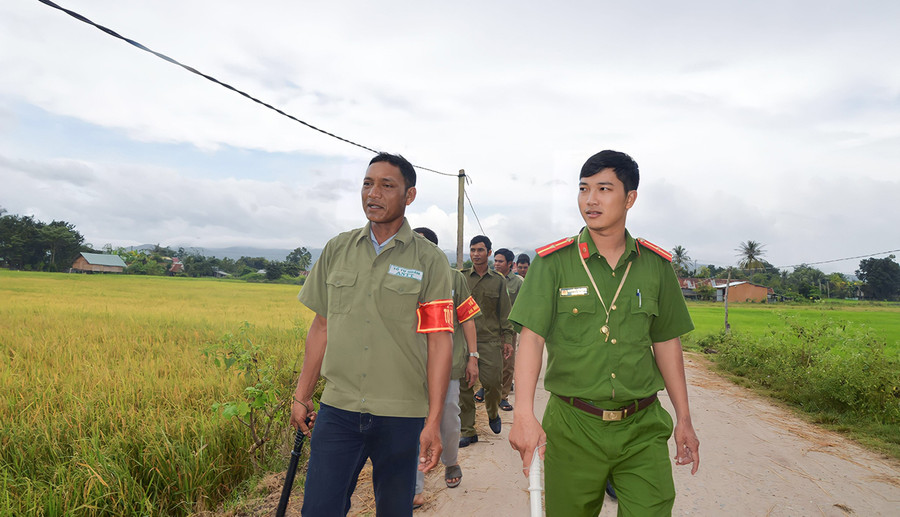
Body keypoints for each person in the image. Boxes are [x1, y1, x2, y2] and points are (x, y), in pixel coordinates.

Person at [508, 150, 700, 516]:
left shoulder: (655, 266)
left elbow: (666, 342)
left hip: (642, 425)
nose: (590, 199)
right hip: (572, 426)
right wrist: (523, 414)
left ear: (630, 198)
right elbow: (531, 339)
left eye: (604, 189)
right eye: (583, 189)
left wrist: (684, 419)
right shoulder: (553, 263)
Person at [290, 153, 454, 516]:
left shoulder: (429, 260)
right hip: (338, 409)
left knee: (395, 509)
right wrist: (302, 395)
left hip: (402, 414)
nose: (373, 193)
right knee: (318, 508)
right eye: (367, 183)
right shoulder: (338, 249)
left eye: (386, 185)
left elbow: (440, 340)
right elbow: (321, 326)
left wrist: (433, 421)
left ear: (409, 195)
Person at [412, 227, 481, 508]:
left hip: (448, 364)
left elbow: (467, 319)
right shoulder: (404, 276)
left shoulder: (454, 278)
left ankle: (451, 461)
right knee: (414, 423)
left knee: (449, 419)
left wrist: (473, 357)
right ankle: (415, 487)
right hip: (411, 365)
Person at [459, 235, 514, 447]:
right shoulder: (461, 277)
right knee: (465, 386)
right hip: (464, 341)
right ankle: (468, 429)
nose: (476, 254)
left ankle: (492, 413)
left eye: (480, 250)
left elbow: (504, 312)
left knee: (492, 383)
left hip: (489, 340)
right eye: (472, 250)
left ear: (489, 253)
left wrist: (507, 339)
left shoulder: (498, 281)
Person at [494, 248, 523, 411]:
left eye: (500, 261)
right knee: (489, 361)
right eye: (495, 261)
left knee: (507, 363)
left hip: (508, 328)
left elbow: (521, 305)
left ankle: (503, 396)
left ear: (510, 263)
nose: (496, 264)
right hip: (489, 327)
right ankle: (487, 389)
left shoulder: (517, 283)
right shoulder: (491, 279)